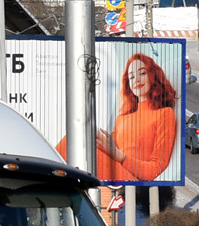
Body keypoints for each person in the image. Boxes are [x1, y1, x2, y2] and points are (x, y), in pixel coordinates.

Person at [57, 51, 179, 183]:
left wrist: (120, 156)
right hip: (115, 168)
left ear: (153, 75)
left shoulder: (165, 113)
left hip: (132, 177)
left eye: (142, 73)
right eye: (131, 77)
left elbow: (155, 168)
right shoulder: (122, 118)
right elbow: (111, 149)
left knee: (74, 141)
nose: (137, 80)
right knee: (77, 136)